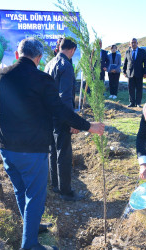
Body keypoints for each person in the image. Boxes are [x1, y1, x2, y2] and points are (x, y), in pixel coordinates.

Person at [0, 38, 105, 250]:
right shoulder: (42, 79)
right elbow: (61, 110)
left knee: (20, 190)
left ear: (18, 55)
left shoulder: (0, 75)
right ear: (38, 58)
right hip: (31, 149)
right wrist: (88, 126)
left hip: (6, 147)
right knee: (35, 195)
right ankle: (29, 245)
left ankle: (33, 226)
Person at [45, 38, 82, 202]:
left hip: (49, 114)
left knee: (53, 151)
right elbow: (65, 97)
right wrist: (72, 121)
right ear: (72, 49)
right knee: (64, 153)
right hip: (61, 116)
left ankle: (55, 185)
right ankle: (66, 191)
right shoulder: (66, 65)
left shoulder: (50, 63)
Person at [123, 38, 146, 108]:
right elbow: (125, 62)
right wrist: (124, 71)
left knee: (139, 88)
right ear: (130, 44)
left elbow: (145, 63)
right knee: (131, 89)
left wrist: (145, 72)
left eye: (135, 42)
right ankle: (132, 103)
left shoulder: (142, 51)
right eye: (132, 43)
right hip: (130, 73)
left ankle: (138, 103)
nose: (133, 44)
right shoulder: (127, 52)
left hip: (139, 73)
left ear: (137, 43)